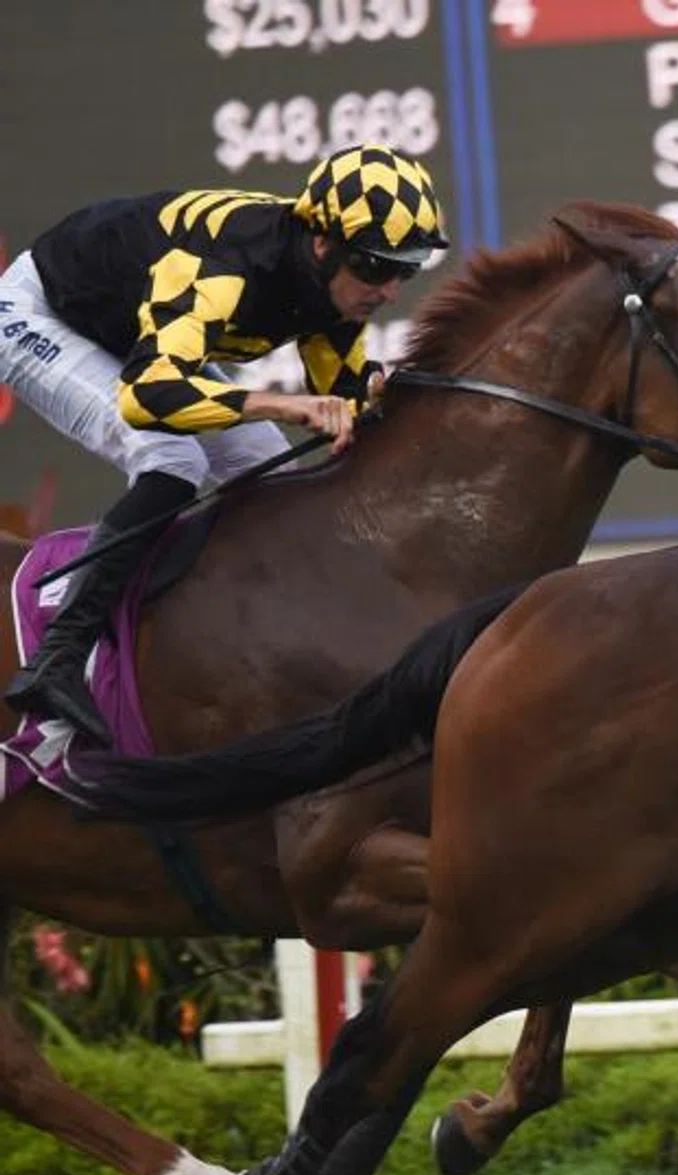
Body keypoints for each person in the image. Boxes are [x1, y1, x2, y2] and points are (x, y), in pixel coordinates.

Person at [0, 144, 448, 746]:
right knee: (172, 460)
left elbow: (346, 390)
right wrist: (277, 402)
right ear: (323, 245)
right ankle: (57, 657)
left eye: (406, 269)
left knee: (267, 471)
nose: (390, 289)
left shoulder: (336, 285)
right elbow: (150, 395)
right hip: (42, 316)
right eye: (375, 266)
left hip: (132, 333)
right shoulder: (225, 266)